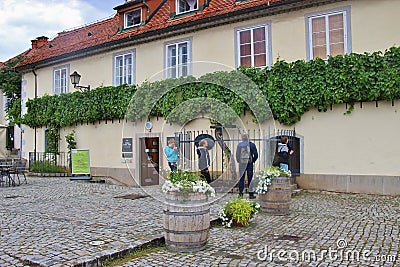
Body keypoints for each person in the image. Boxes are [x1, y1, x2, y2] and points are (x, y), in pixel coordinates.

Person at [236, 133, 258, 199]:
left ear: (242, 138)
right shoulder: (252, 145)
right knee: (250, 179)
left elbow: (237, 155)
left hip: (242, 163)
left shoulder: (239, 145)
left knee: (241, 178)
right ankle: (251, 194)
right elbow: (256, 155)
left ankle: (240, 194)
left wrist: (239, 161)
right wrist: (253, 161)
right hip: (249, 163)